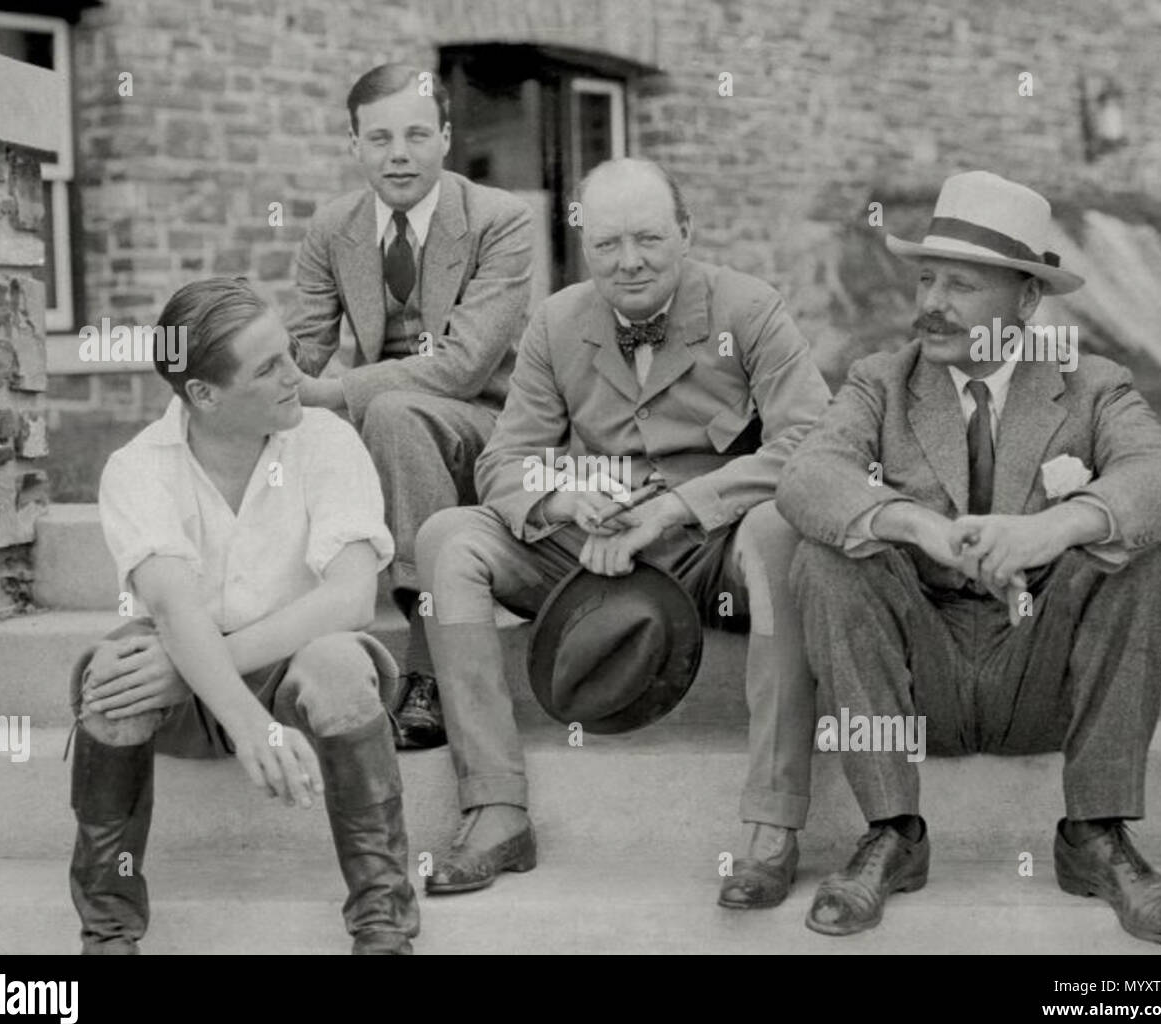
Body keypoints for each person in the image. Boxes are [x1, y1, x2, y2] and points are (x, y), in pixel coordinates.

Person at [779, 171, 1161, 945]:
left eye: (963, 285)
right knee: (827, 556)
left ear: (1026, 303)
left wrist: (1055, 529)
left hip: (1041, 673)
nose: (933, 302)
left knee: (1152, 553)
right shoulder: (882, 379)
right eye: (927, 277)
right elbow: (807, 477)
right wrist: (915, 524)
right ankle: (892, 832)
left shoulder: (1092, 383)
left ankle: (1096, 836)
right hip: (919, 680)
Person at [414, 158, 830, 905]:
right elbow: (508, 459)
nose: (628, 261)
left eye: (648, 239)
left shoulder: (751, 309)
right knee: (450, 539)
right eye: (606, 245)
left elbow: (810, 443)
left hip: (715, 545)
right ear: (582, 246)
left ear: (687, 233)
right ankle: (497, 809)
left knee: (779, 534)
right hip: (594, 542)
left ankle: (772, 825)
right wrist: (563, 498)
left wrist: (673, 509)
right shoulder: (557, 321)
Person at [69, 277, 419, 955]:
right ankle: (107, 936)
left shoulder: (325, 440)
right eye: (270, 368)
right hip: (192, 693)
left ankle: (384, 926)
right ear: (204, 395)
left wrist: (194, 669)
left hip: (292, 673)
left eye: (289, 353)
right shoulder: (136, 468)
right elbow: (170, 606)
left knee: (341, 664)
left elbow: (349, 599)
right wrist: (236, 711)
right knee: (112, 676)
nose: (299, 376)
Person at [287, 63, 534, 750]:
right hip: (386, 433)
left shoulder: (499, 222)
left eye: (418, 134)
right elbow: (302, 347)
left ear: (447, 138)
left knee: (392, 412)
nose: (400, 154)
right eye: (381, 138)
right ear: (354, 145)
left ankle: (426, 673)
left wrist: (336, 393)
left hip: (487, 427)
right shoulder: (334, 227)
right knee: (303, 428)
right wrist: (244, 383)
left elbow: (464, 366)